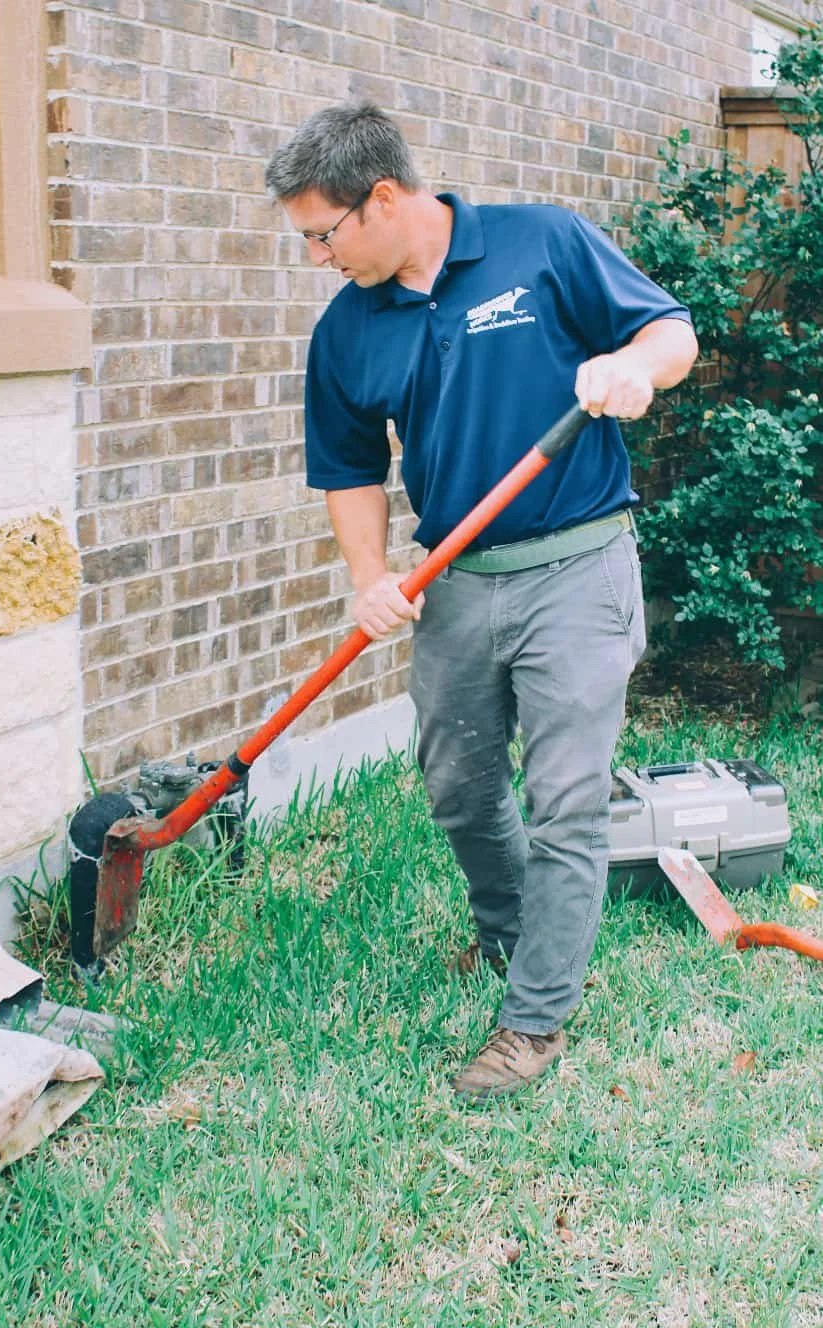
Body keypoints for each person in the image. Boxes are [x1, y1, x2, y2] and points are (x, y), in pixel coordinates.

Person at [265, 102, 698, 1102]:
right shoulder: (345, 329)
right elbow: (346, 469)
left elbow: (668, 329)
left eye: (321, 234)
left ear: (380, 199)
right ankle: (509, 930)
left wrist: (633, 366)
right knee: (458, 784)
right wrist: (369, 577)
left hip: (576, 566)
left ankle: (535, 1015)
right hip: (452, 581)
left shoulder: (538, 242)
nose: (316, 256)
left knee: (566, 797)